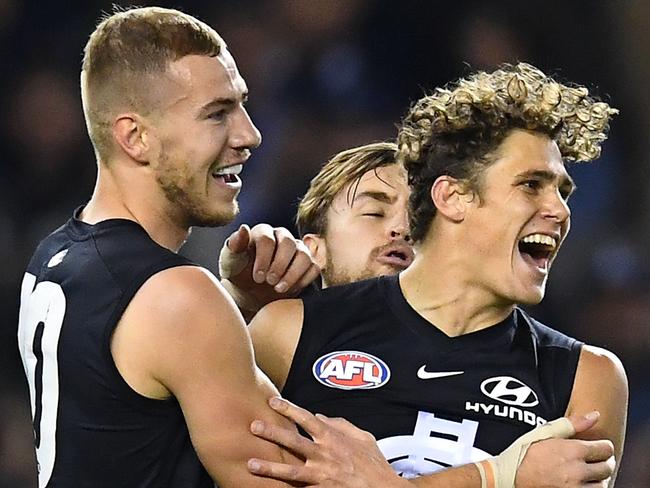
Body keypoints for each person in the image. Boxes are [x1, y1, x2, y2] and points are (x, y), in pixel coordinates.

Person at [246, 64, 628, 486]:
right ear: (452, 196)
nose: (560, 210)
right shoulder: (290, 332)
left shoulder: (586, 377)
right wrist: (498, 478)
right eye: (531, 184)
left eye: (563, 191)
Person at [15, 6, 327, 487]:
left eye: (242, 105)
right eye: (217, 113)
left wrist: (239, 306)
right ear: (135, 137)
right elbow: (297, 479)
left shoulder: (54, 255)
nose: (250, 135)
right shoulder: (178, 297)